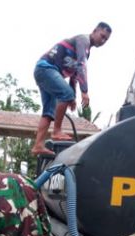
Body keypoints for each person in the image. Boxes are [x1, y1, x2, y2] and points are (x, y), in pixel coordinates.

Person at [31, 22, 112, 156]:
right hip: (46, 68)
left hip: (46, 72)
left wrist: (72, 97)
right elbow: (81, 66)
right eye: (102, 36)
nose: (102, 41)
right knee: (65, 95)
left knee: (49, 112)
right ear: (95, 30)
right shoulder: (83, 41)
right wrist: (84, 91)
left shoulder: (86, 51)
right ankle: (57, 131)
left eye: (106, 39)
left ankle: (38, 145)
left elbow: (74, 75)